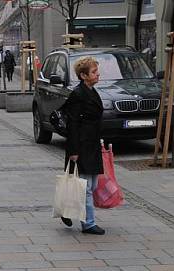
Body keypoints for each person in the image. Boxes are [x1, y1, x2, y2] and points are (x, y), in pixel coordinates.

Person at [61, 56, 105, 235]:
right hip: (81, 144)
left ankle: (67, 209)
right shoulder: (78, 94)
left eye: (96, 71)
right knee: (86, 187)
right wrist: (73, 150)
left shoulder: (91, 91)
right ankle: (88, 223)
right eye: (94, 72)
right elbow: (72, 123)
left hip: (92, 143)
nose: (97, 74)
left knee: (92, 185)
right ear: (83, 75)